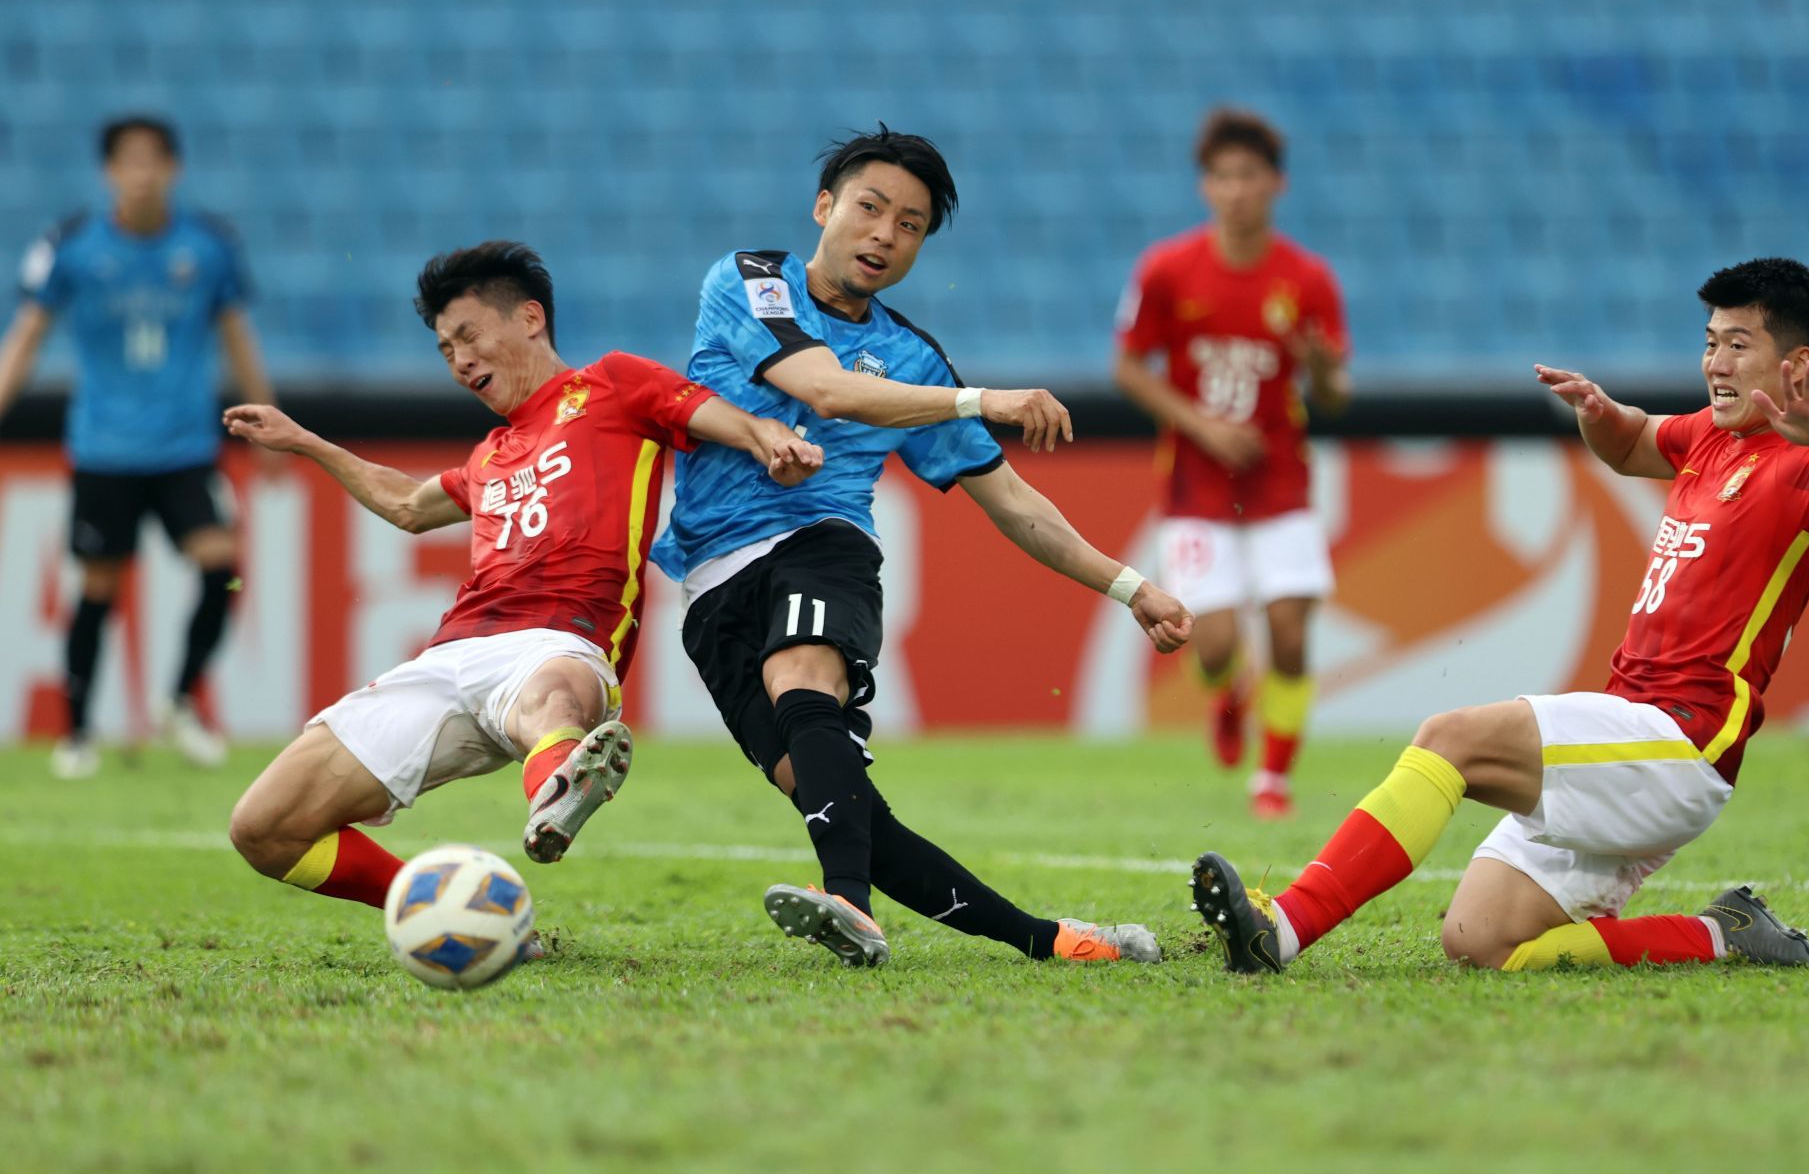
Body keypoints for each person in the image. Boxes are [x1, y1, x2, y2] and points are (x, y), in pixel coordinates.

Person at [1192, 258, 1809, 973]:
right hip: (1632, 732)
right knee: (1483, 942)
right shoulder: (1711, 437)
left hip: (1683, 742)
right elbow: (1628, 443)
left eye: (1738, 344)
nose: (1715, 361)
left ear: (1797, 363)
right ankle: (1727, 933)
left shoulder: (1806, 464)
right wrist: (1596, 412)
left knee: (1452, 738)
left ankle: (1279, 930)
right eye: (1710, 341)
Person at [654, 125, 1195, 970]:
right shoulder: (751, 280)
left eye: (910, 225)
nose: (884, 235)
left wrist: (1132, 588)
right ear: (824, 207)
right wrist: (980, 400)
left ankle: (847, 907)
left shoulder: (914, 359)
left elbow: (1013, 503)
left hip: (822, 543)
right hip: (713, 580)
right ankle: (1053, 941)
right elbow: (827, 389)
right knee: (850, 807)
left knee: (802, 672)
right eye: (870, 209)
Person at [223, 242, 821, 916]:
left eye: (468, 335)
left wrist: (768, 439)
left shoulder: (614, 384)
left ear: (530, 317)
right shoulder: (490, 455)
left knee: (552, 701)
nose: (459, 361)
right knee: (262, 827)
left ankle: (561, 783)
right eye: (446, 350)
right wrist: (304, 440)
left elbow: (719, 418)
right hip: (450, 656)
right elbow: (406, 505)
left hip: (561, 640)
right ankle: (447, 905)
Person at [0, 115, 277, 777]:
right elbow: (28, 335)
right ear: (110, 172)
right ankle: (76, 733)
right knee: (98, 587)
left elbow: (238, 335)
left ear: (172, 170)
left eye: (154, 161)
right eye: (130, 161)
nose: (143, 173)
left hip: (184, 448)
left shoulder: (209, 247)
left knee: (223, 568)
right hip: (104, 449)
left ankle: (178, 698)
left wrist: (268, 422)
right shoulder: (70, 247)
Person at [1113, 106, 1351, 819]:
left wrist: (1323, 373)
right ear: (1204, 188)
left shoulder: (1307, 279)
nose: (1235, 190)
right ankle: (1228, 692)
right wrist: (1202, 427)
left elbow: (1336, 397)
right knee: (1212, 644)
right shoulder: (1166, 268)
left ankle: (1272, 777)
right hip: (1197, 486)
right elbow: (1129, 368)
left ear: (1275, 184)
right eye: (1221, 177)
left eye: (1248, 176)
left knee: (1288, 628)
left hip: (1281, 483)